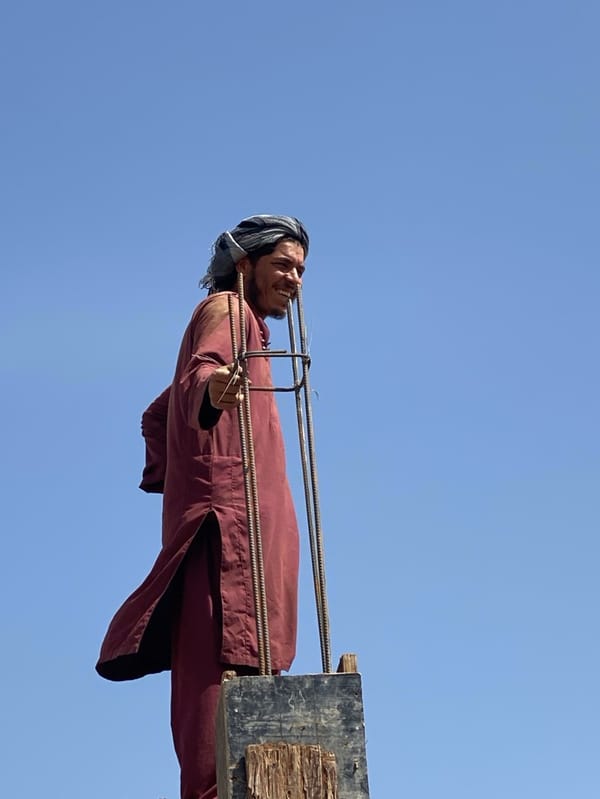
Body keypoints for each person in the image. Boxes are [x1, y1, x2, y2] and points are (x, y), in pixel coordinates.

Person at [96, 215, 309, 799]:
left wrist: (179, 467)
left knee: (246, 668)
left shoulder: (255, 336)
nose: (294, 279)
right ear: (245, 266)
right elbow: (201, 377)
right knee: (230, 672)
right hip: (230, 540)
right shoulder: (230, 312)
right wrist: (214, 393)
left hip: (243, 533)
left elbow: (158, 414)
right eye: (283, 265)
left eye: (300, 270)